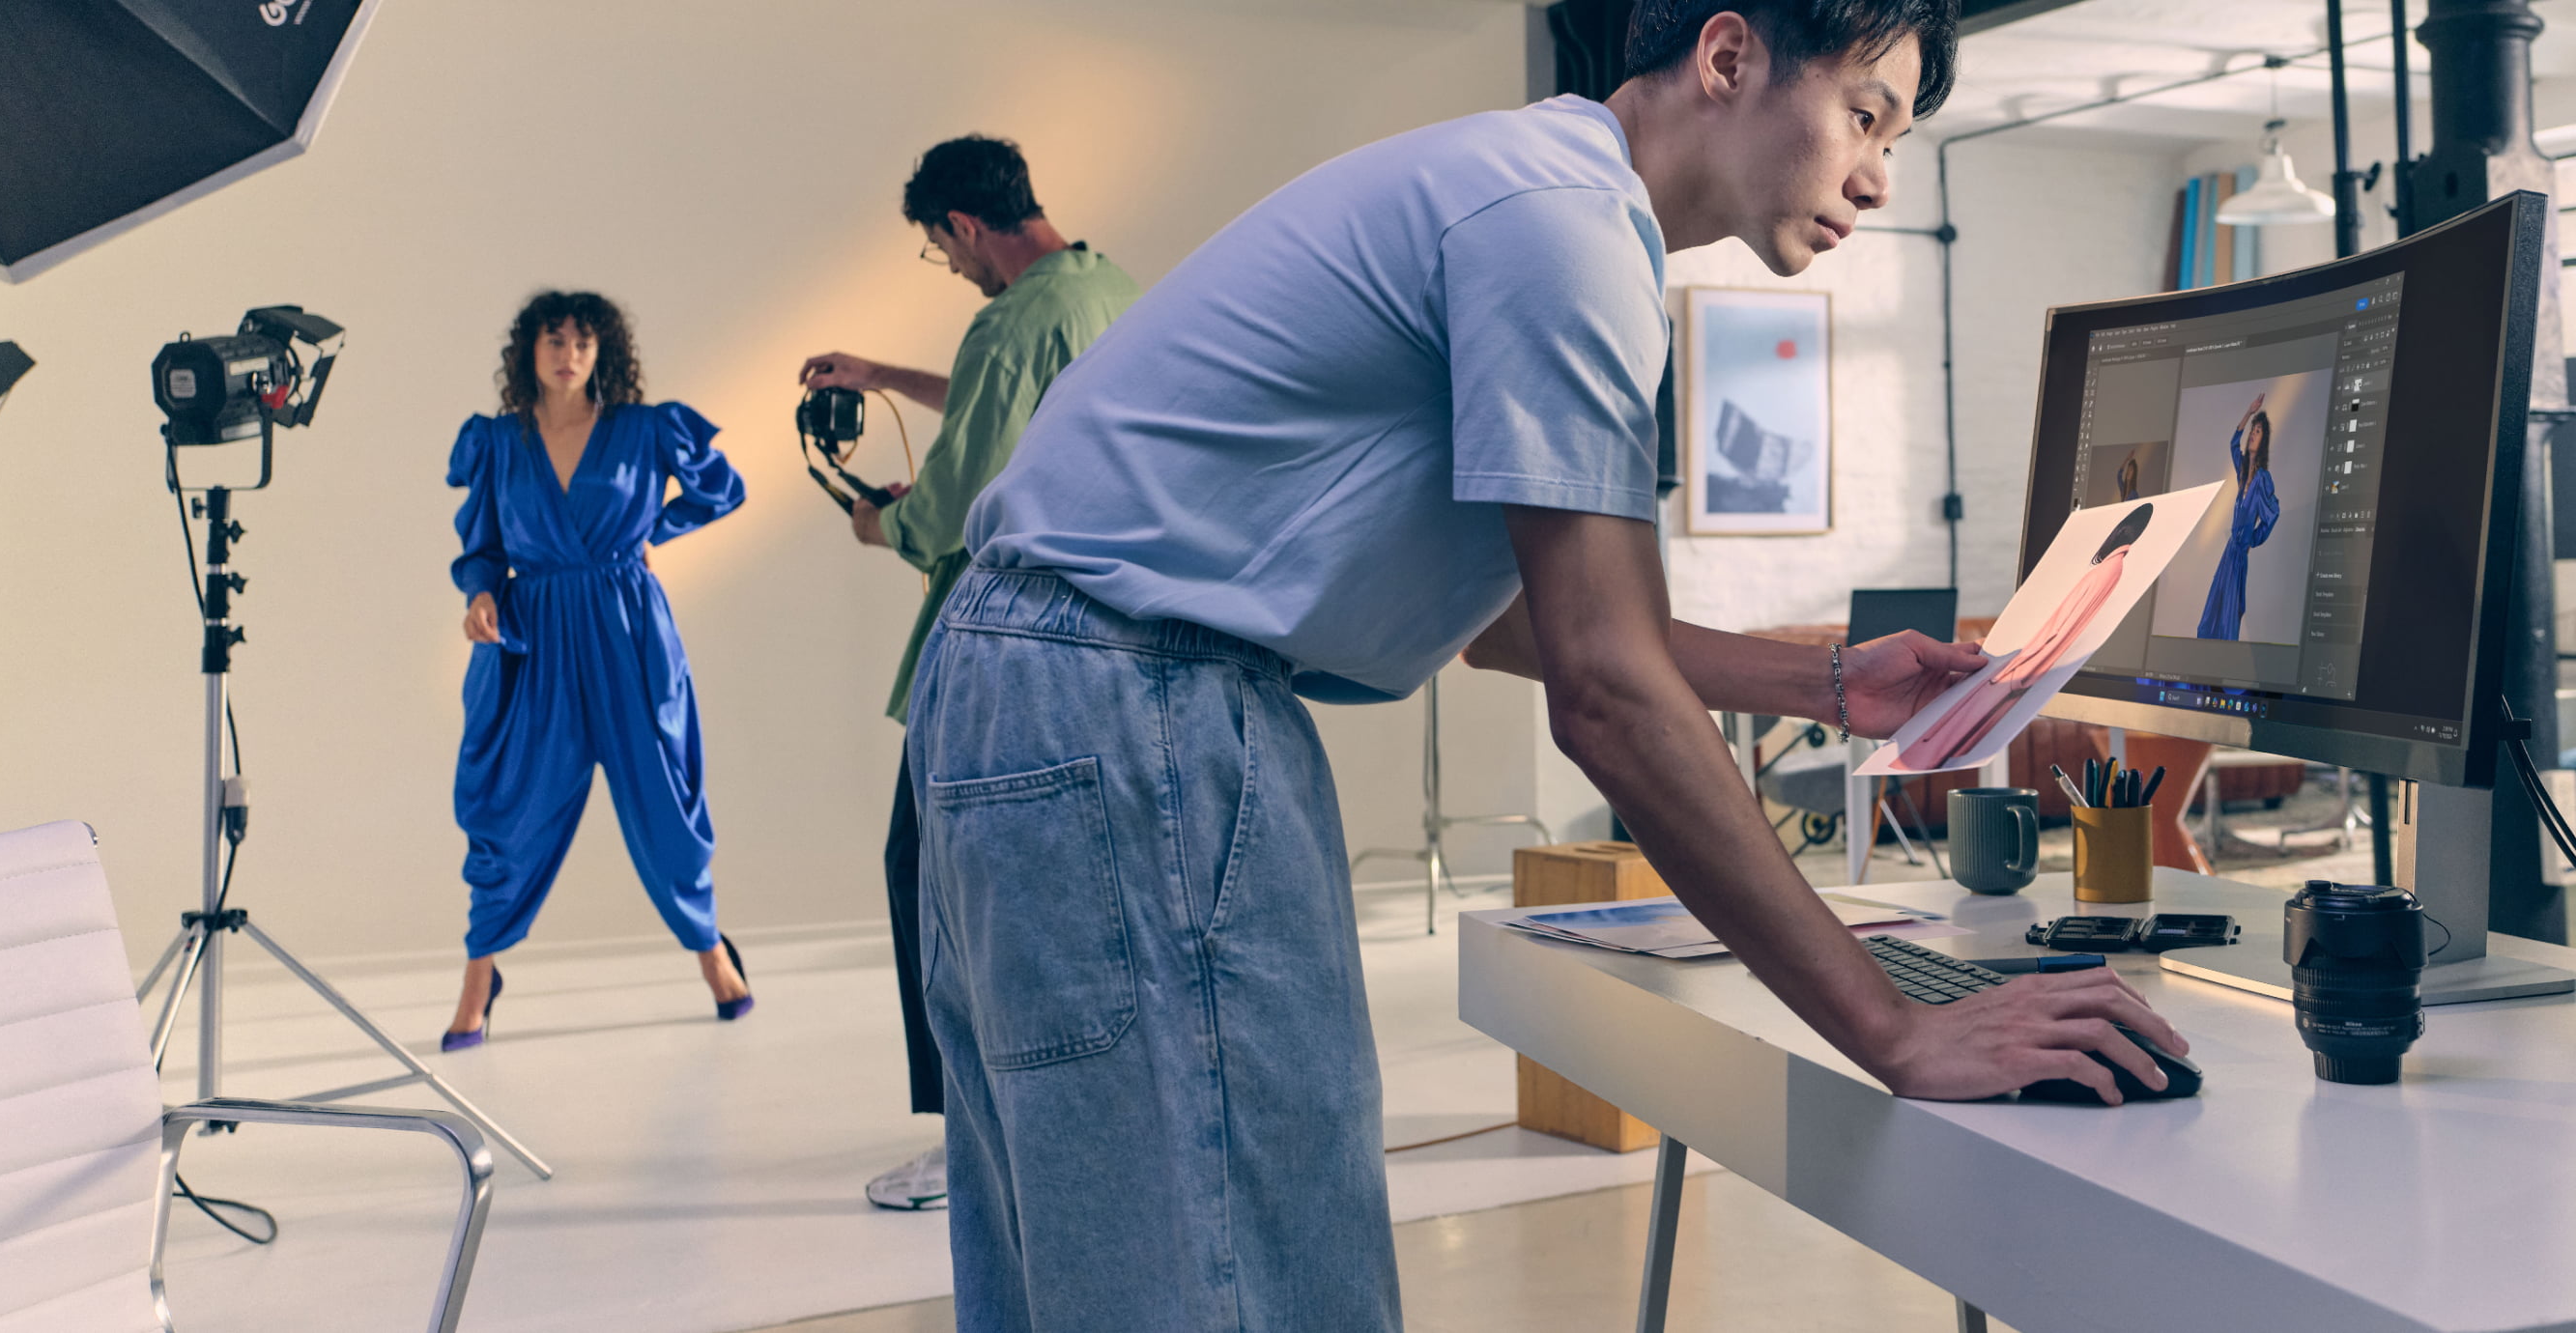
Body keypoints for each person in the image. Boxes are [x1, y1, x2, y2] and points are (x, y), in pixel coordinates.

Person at [912, 4, 2185, 1326]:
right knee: (1232, 1286)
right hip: (1131, 708)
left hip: (1033, 686)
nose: (1877, 174)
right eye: (1865, 114)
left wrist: (1822, 685)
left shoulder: (1520, 186)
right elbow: (1605, 690)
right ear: (1730, 56)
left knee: (1106, 1269)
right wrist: (1894, 1027)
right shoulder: (1565, 228)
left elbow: (1514, 621)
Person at [796, 135, 1140, 1211]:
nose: (950, 270)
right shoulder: (1106, 292)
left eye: (941, 253)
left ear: (962, 226)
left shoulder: (1006, 318)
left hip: (993, 645)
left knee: (932, 883)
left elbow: (945, 511)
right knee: (1062, 889)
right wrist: (882, 374)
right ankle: (1075, 1118)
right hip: (1101, 639)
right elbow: (1013, 401)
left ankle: (967, 1144)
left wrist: (880, 522)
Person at [441, 291, 750, 1049]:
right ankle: (479, 978)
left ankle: (711, 951)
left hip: (627, 630)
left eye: (582, 341)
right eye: (554, 339)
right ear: (530, 352)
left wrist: (658, 530)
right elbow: (481, 547)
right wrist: (481, 594)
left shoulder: (645, 430)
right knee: (508, 811)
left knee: (663, 800)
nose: (568, 354)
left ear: (602, 351)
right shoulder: (496, 442)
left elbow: (722, 489)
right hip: (534, 638)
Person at [1896, 504, 2154, 769]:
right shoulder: (2112, 567)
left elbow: (2065, 626)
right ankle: (1928, 753)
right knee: (1970, 714)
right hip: (2034, 654)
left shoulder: (2108, 569)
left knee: (1971, 715)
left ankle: (1928, 754)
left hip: (2034, 656)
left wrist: (2026, 655)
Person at [2191, 397, 2279, 638]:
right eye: (2253, 429)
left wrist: (2252, 539)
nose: (2252, 434)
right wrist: (2249, 413)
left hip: (2239, 556)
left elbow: (2273, 513)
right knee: (2211, 613)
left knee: (2228, 618)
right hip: (2228, 553)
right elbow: (2233, 443)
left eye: (2258, 431)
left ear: (2263, 441)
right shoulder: (2242, 471)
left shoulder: (2263, 479)